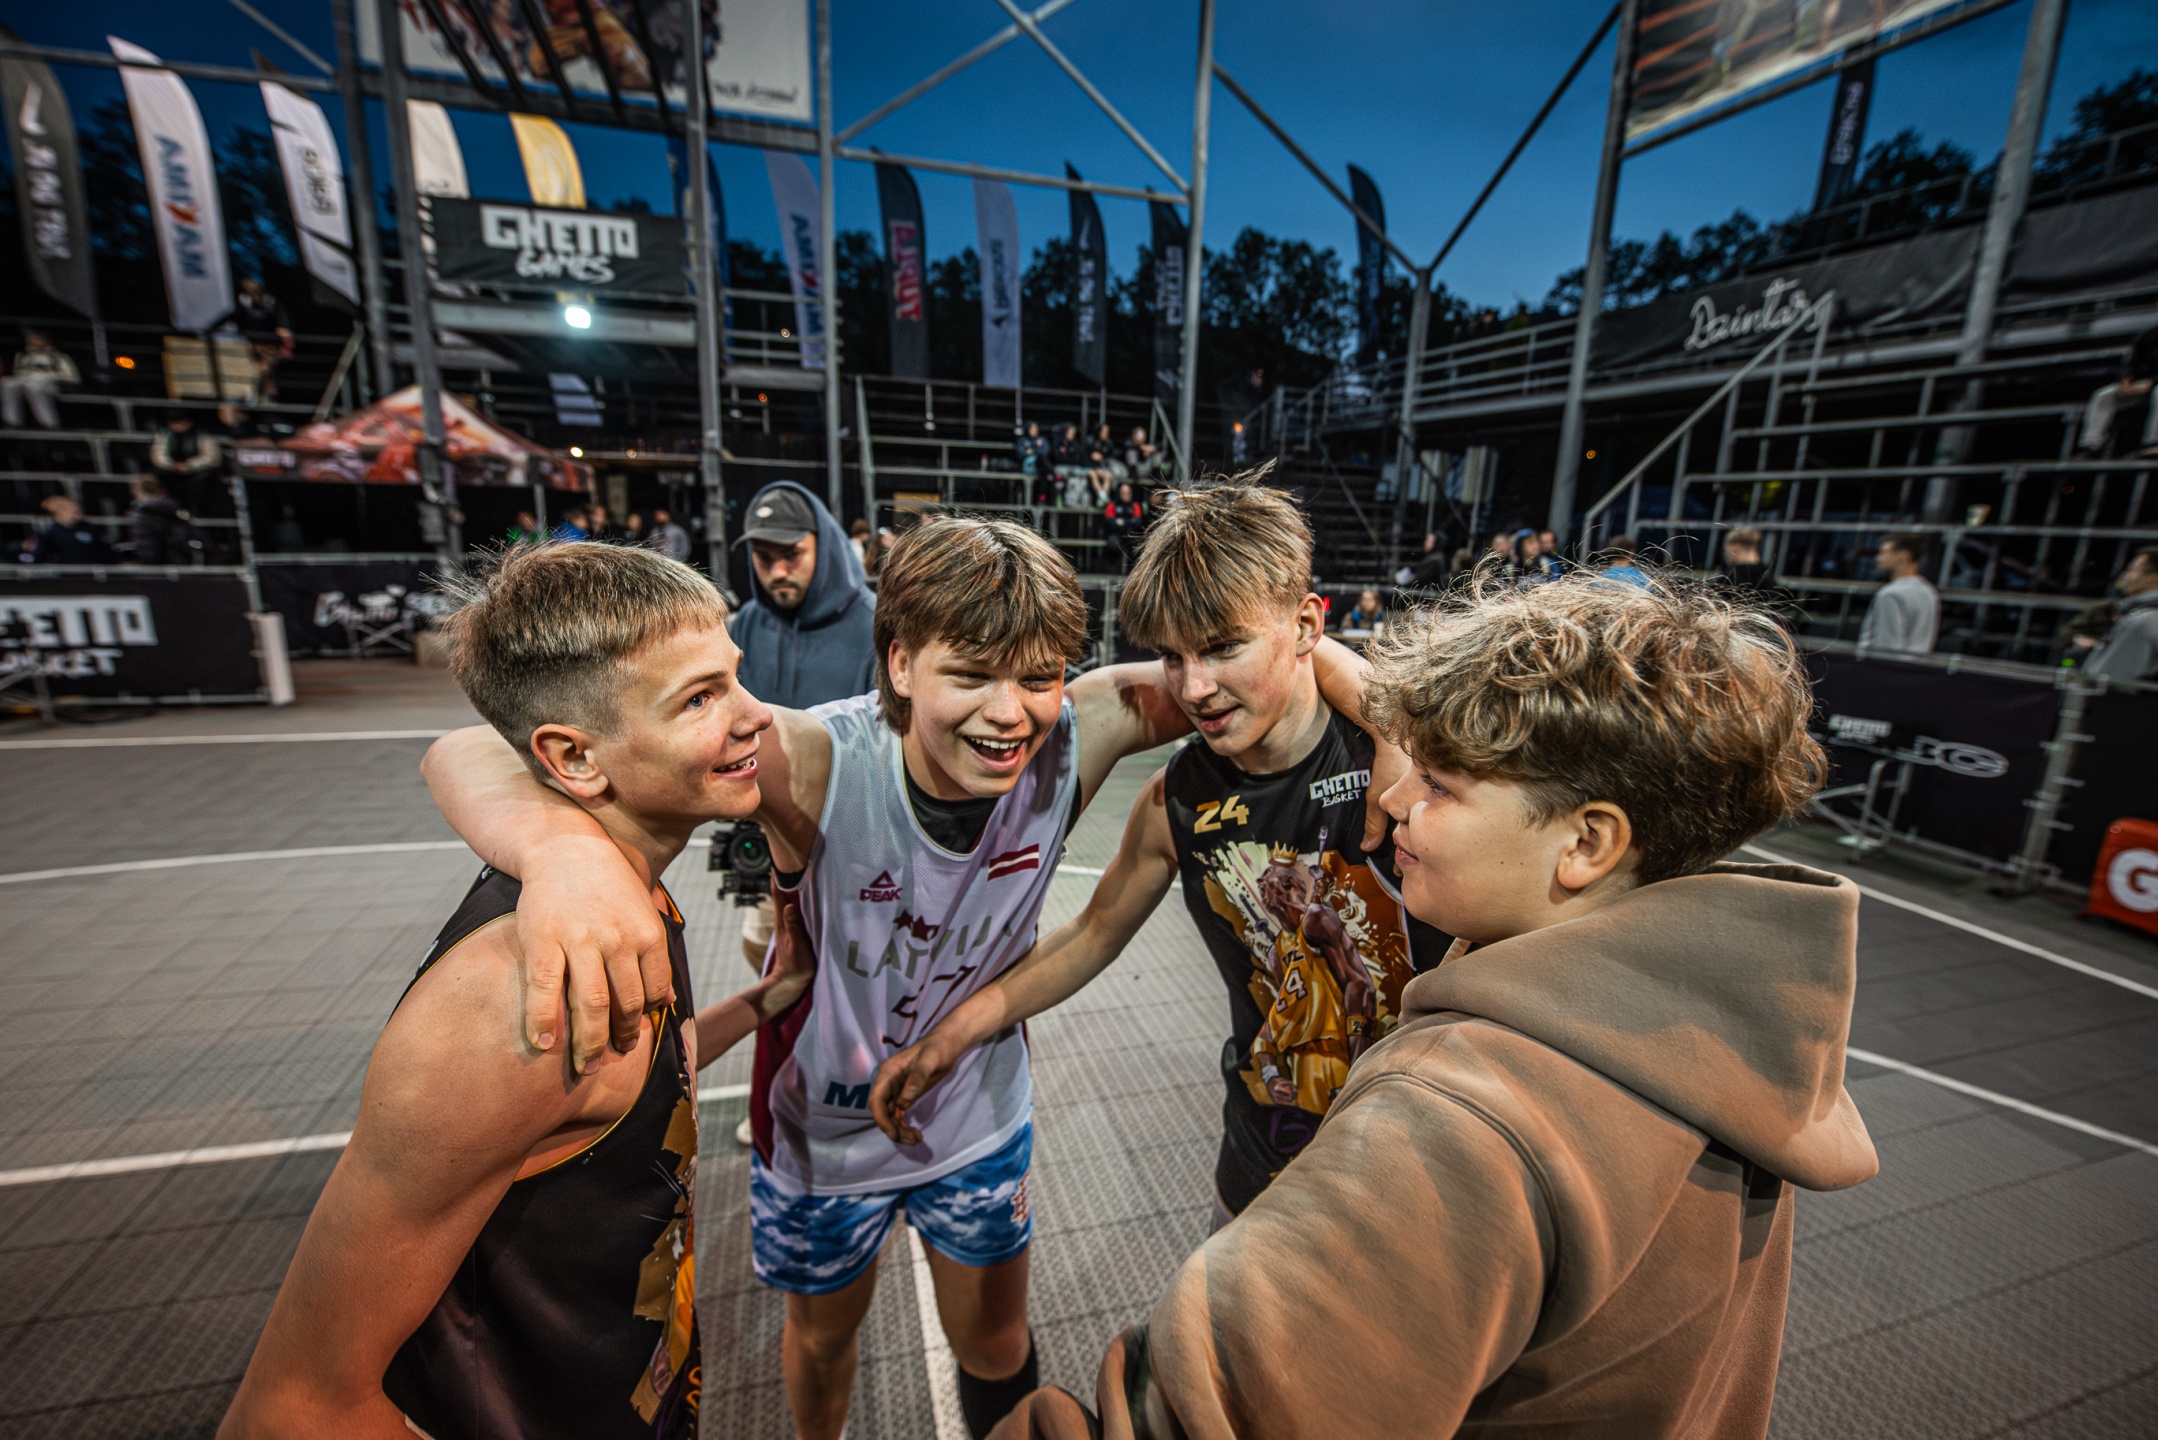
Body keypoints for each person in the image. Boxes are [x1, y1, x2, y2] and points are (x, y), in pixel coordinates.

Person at [418, 515, 1378, 1440]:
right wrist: (558, 854)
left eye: (1038, 676)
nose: (1010, 712)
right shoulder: (813, 759)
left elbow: (1264, 662)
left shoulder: (1082, 727)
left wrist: (1363, 690)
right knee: (823, 1342)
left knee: (997, 1345)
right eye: (971, 675)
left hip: (976, 1115)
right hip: (821, 1131)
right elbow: (470, 748)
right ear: (902, 663)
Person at [988, 573, 1876, 1440]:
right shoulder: (1723, 1043)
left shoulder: (1458, 1121)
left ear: (1588, 841)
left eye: (1441, 784)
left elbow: (1225, 1404)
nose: (1397, 794)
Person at [219, 543, 812, 1440]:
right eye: (700, 699)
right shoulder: (509, 1005)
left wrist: (771, 996)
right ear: (573, 757)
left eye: (733, 677)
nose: (755, 714)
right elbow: (291, 1410)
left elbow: (630, 1095)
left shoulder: (615, 902)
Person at [870, 481, 1442, 1235]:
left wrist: (1398, 720)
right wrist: (954, 1032)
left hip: (1428, 1154)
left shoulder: (1420, 768)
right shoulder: (1178, 798)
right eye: (1173, 656)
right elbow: (1094, 932)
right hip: (1267, 1152)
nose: (1196, 687)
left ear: (1307, 624)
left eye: (1224, 647)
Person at [725, 482, 877, 999]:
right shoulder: (748, 623)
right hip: (764, 837)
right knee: (763, 947)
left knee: (854, 970)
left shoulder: (874, 625)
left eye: (791, 555)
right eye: (763, 558)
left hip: (849, 847)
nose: (777, 571)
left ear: (823, 546)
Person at [2077, 325, 2158, 456]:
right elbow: (2131, 362)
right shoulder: (2149, 334)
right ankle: (2090, 446)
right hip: (2141, 386)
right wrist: (2126, 381)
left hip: (2153, 385)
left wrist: (2152, 382)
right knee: (2104, 395)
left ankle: (2152, 444)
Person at [2085, 546, 2158, 683]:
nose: (2125, 576)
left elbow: (2110, 674)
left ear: (2153, 578)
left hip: (2115, 694)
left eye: (2132, 570)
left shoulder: (2148, 619)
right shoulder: (2140, 614)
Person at [1858, 532, 1940, 655]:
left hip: (1884, 666)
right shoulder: (1929, 592)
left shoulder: (1890, 594)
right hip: (1916, 665)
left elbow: (1886, 648)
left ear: (1902, 555)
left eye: (1884, 552)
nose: (1878, 557)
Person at [2, 330, 79, 429]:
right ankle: (12, 422)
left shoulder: (59, 357)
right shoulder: (22, 357)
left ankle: (48, 424)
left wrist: (45, 375)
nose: (32, 341)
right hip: (27, 382)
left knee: (36, 385)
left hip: (51, 385)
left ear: (45, 340)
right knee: (8, 384)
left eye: (36, 339)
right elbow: (17, 373)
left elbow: (72, 377)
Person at [234, 278, 294, 402]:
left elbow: (281, 316)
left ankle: (262, 396)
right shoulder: (245, 302)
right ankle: (262, 395)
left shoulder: (271, 301)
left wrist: (284, 328)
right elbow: (235, 316)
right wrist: (214, 327)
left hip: (270, 342)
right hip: (254, 342)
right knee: (262, 369)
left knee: (265, 369)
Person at [150, 411, 223, 501]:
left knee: (206, 477)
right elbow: (158, 455)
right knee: (157, 475)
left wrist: (189, 465)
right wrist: (171, 464)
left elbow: (212, 457)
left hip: (197, 471)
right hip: (172, 470)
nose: (177, 425)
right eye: (174, 422)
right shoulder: (164, 434)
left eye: (180, 421)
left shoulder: (202, 434)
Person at [25, 494, 113, 564]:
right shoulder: (49, 532)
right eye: (67, 509)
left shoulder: (91, 529)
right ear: (57, 512)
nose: (75, 511)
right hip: (66, 575)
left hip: (93, 573)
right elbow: (41, 555)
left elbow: (106, 550)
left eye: (77, 508)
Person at [127, 476, 193, 565]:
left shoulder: (137, 513)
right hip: (176, 560)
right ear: (159, 490)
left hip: (147, 561)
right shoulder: (174, 510)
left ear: (136, 493)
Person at [1102, 481, 1145, 571]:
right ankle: (1113, 568)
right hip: (1116, 534)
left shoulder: (1135, 505)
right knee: (1113, 543)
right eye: (1123, 493)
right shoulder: (1112, 505)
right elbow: (1110, 522)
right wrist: (1129, 522)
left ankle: (1132, 569)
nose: (1126, 495)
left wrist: (1122, 522)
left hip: (1130, 534)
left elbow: (1138, 522)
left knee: (1138, 544)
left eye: (1127, 493)